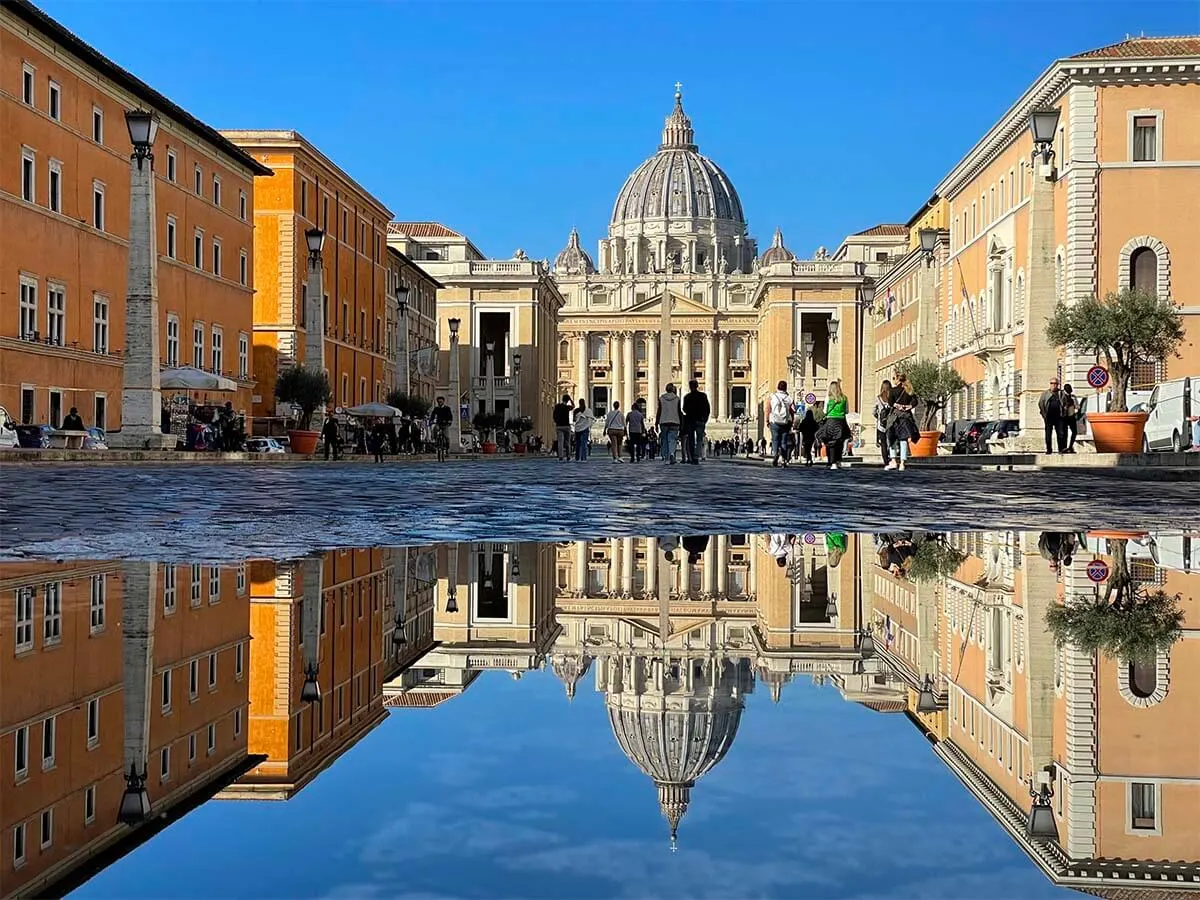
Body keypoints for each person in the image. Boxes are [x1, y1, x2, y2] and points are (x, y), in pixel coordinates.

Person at [886, 373, 919, 472]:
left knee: (892, 438)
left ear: (897, 379)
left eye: (893, 378)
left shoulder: (893, 390)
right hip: (906, 418)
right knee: (903, 440)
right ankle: (903, 463)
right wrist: (908, 407)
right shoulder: (909, 389)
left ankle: (893, 460)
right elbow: (915, 401)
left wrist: (897, 405)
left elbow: (890, 403)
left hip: (895, 418)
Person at [816, 380, 851, 470]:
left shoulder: (828, 398)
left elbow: (825, 411)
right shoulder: (844, 398)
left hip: (831, 421)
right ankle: (839, 461)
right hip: (841, 421)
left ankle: (833, 462)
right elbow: (847, 411)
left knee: (831, 442)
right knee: (839, 442)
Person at [680, 379, 711, 465]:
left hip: (690, 420)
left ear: (690, 387)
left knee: (691, 440)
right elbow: (707, 409)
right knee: (699, 440)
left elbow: (684, 409)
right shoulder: (703, 396)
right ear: (697, 386)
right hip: (700, 420)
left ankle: (692, 457)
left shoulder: (687, 397)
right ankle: (696, 456)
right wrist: (705, 419)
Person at [767, 380, 794, 467]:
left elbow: (767, 409)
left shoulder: (772, 396)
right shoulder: (789, 398)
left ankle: (775, 455)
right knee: (784, 441)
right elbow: (793, 411)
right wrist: (791, 422)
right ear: (786, 388)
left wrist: (767, 420)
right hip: (785, 422)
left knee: (775, 440)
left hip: (774, 422)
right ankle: (783, 460)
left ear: (777, 387)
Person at [1038, 377, 1067, 454]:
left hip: (1059, 417)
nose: (1053, 385)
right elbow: (1041, 404)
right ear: (1049, 384)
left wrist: (1063, 413)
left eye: (1055, 384)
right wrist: (1044, 415)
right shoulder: (1045, 394)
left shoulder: (1061, 393)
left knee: (1060, 433)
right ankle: (1049, 449)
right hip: (1049, 417)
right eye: (1052, 383)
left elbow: (1065, 403)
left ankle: (1060, 449)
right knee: (1048, 434)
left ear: (1058, 385)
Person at [656, 383, 682, 463]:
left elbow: (659, 411)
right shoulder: (677, 399)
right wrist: (681, 422)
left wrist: (656, 423)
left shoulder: (661, 398)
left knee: (665, 440)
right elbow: (679, 411)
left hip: (663, 421)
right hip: (675, 421)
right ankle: (672, 454)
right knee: (672, 440)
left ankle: (666, 457)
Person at [874, 380, 893, 467]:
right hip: (891, 423)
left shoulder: (878, 398)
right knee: (891, 441)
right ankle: (892, 458)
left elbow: (873, 411)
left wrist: (877, 417)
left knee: (883, 443)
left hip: (881, 425)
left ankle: (886, 462)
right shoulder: (892, 398)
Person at [553, 393, 573, 462]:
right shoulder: (567, 407)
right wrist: (570, 399)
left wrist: (556, 422)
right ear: (567, 401)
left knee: (560, 442)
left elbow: (554, 415)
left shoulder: (557, 406)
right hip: (566, 426)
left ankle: (561, 456)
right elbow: (573, 406)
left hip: (559, 426)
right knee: (567, 442)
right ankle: (568, 456)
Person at [1062, 384, 1079, 453]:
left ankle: (1070, 447)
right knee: (1065, 433)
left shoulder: (1073, 397)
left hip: (1071, 416)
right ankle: (1065, 447)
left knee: (1074, 432)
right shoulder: (1062, 396)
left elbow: (1077, 407)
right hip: (1064, 417)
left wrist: (1073, 403)